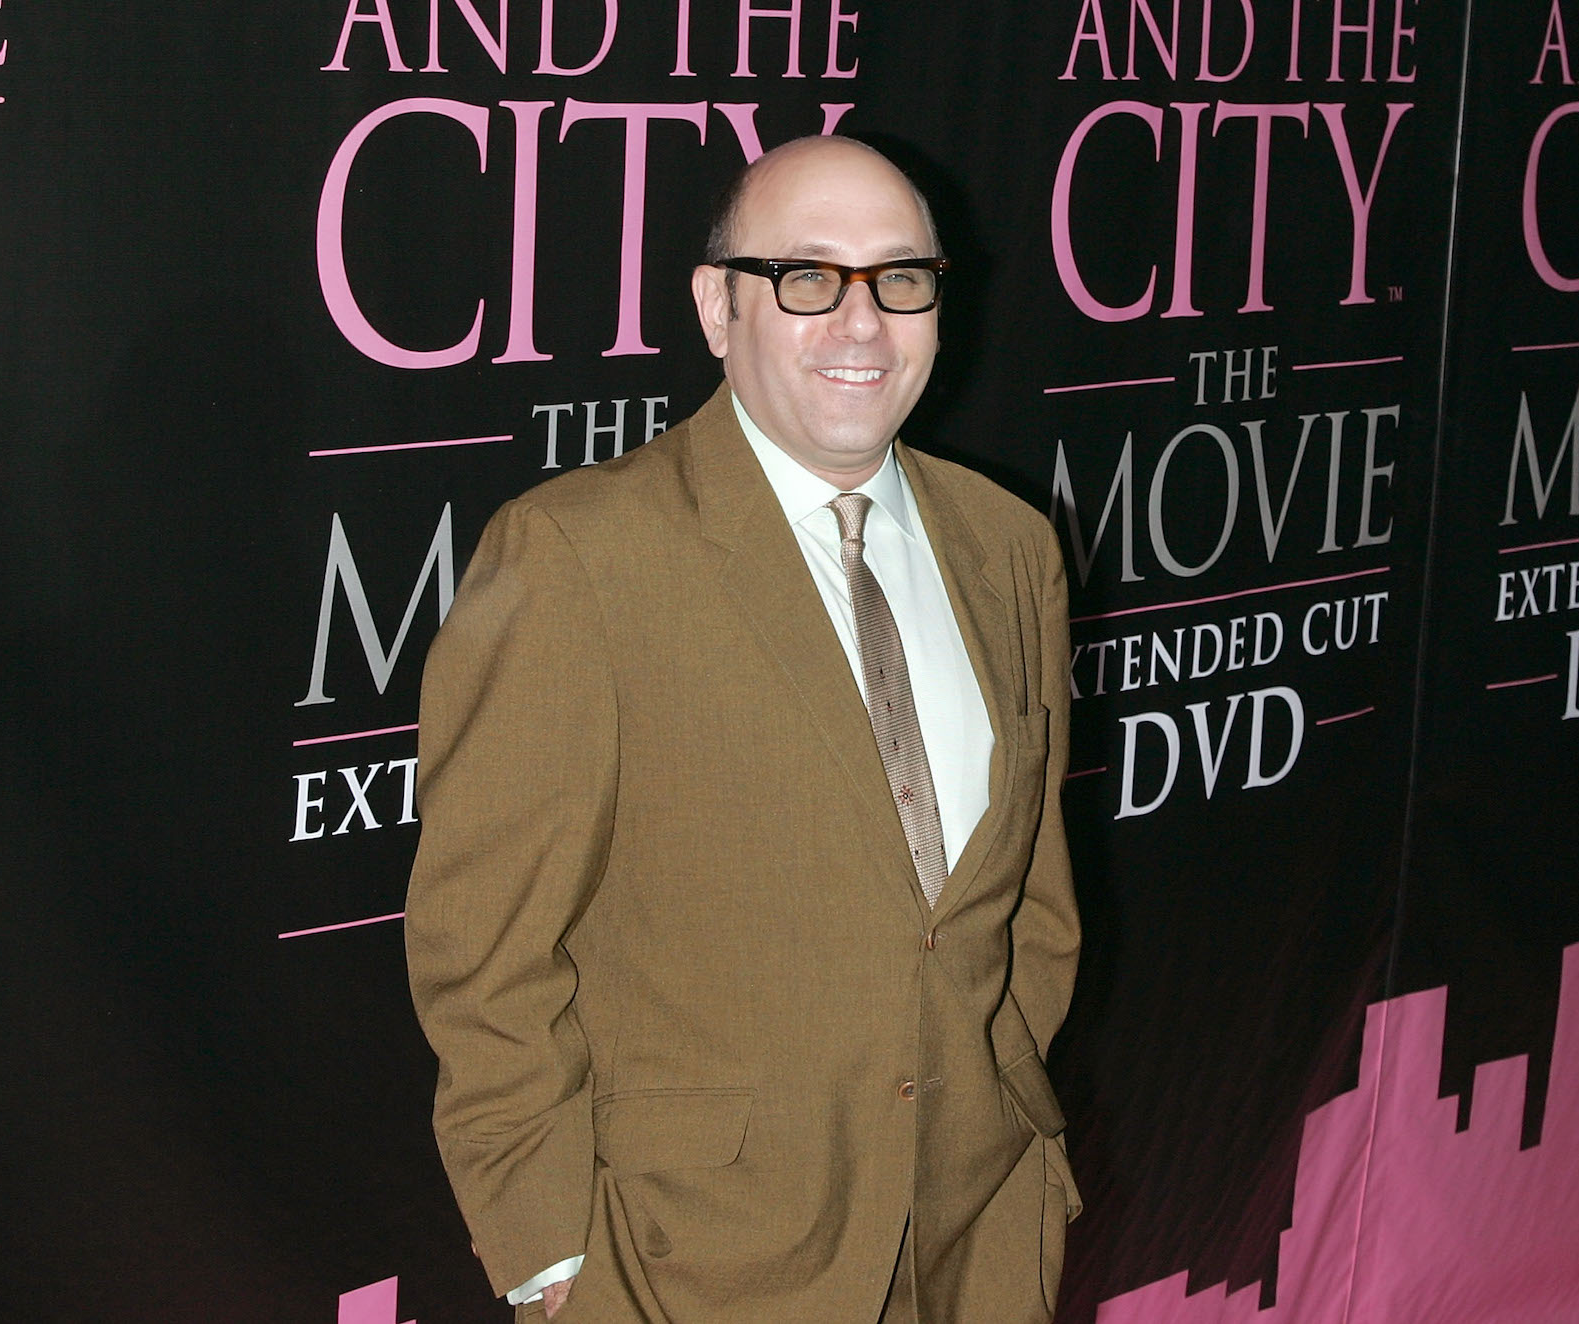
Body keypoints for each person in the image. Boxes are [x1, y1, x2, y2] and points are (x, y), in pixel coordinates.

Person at [405, 135, 1080, 1324]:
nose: (861, 322)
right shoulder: (576, 555)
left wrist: (1004, 1101)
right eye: (807, 276)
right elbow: (484, 952)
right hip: (687, 1263)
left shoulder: (1011, 545)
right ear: (719, 305)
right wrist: (551, 1256)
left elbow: (1028, 900)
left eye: (899, 277)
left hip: (978, 1240)